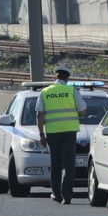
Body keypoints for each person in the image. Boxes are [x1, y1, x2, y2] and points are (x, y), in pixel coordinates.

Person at [37, 65, 87, 205]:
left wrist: (41, 134)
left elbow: (39, 115)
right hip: (69, 133)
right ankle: (67, 196)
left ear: (56, 76)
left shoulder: (45, 92)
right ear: (67, 77)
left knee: (56, 164)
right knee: (69, 165)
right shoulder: (72, 91)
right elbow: (83, 111)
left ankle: (57, 194)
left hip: (52, 133)